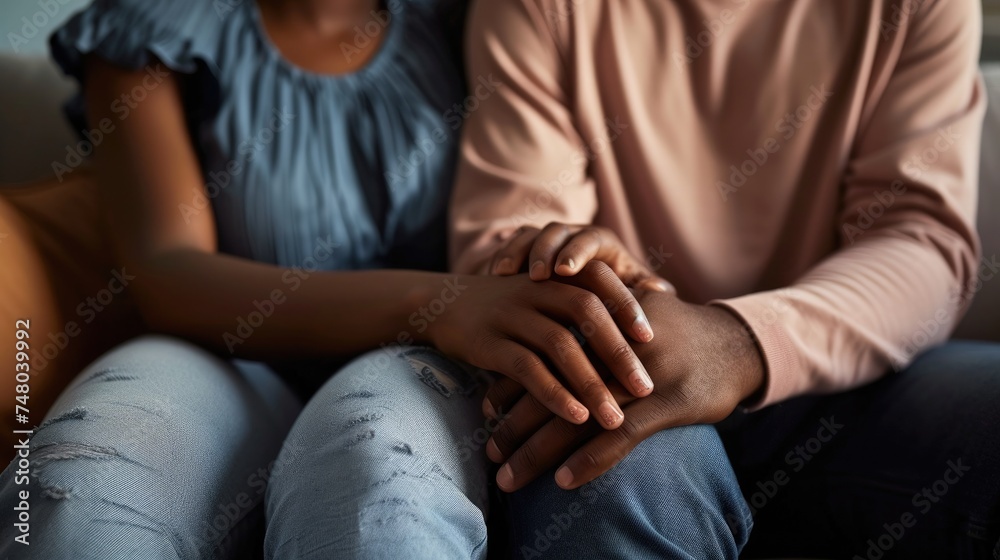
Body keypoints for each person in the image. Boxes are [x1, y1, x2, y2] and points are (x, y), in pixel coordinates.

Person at [1, 0, 725, 558]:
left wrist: (557, 256)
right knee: (80, 488)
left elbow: (530, 194)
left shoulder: (459, 17)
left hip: (423, 364)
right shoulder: (156, 25)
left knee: (376, 492)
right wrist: (436, 303)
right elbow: (168, 273)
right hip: (217, 355)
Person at [446, 0, 1000, 558]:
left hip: (847, 382)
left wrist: (738, 343)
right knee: (608, 472)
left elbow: (919, 243)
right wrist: (578, 280)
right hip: (630, 375)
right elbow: (513, 251)